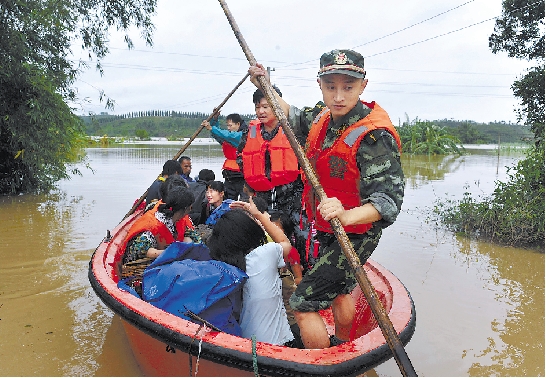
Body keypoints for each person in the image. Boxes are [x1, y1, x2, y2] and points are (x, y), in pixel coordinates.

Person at [248, 48, 404, 349]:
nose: (339, 96)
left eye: (348, 87)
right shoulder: (324, 117)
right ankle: (341, 344)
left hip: (356, 232)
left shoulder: (374, 137)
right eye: (331, 87)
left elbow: (388, 201)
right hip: (327, 225)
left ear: (363, 86)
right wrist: (265, 85)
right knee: (342, 290)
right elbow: (292, 115)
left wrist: (347, 215)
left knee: (302, 304)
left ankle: (323, 365)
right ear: (320, 85)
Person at [236, 85, 308, 273]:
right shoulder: (250, 131)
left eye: (266, 106)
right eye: (257, 107)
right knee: (260, 236)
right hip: (262, 197)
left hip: (292, 195)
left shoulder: (293, 129)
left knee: (300, 236)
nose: (261, 111)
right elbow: (241, 157)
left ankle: (301, 275)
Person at [218, 198, 294, 346]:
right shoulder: (265, 254)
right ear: (250, 232)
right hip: (274, 343)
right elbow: (285, 243)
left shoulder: (222, 264)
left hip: (242, 343)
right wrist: (258, 215)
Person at [122, 185, 195, 264]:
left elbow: (190, 234)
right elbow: (138, 249)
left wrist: (187, 246)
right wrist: (172, 252)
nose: (191, 209)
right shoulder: (153, 225)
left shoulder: (178, 219)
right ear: (184, 209)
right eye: (190, 207)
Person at [202, 112, 247, 200]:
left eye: (230, 126)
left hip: (242, 175)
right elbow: (217, 134)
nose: (228, 128)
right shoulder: (228, 138)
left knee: (244, 201)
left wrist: (212, 128)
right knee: (228, 200)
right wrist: (215, 120)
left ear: (238, 124)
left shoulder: (243, 135)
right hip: (229, 175)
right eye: (227, 126)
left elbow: (227, 135)